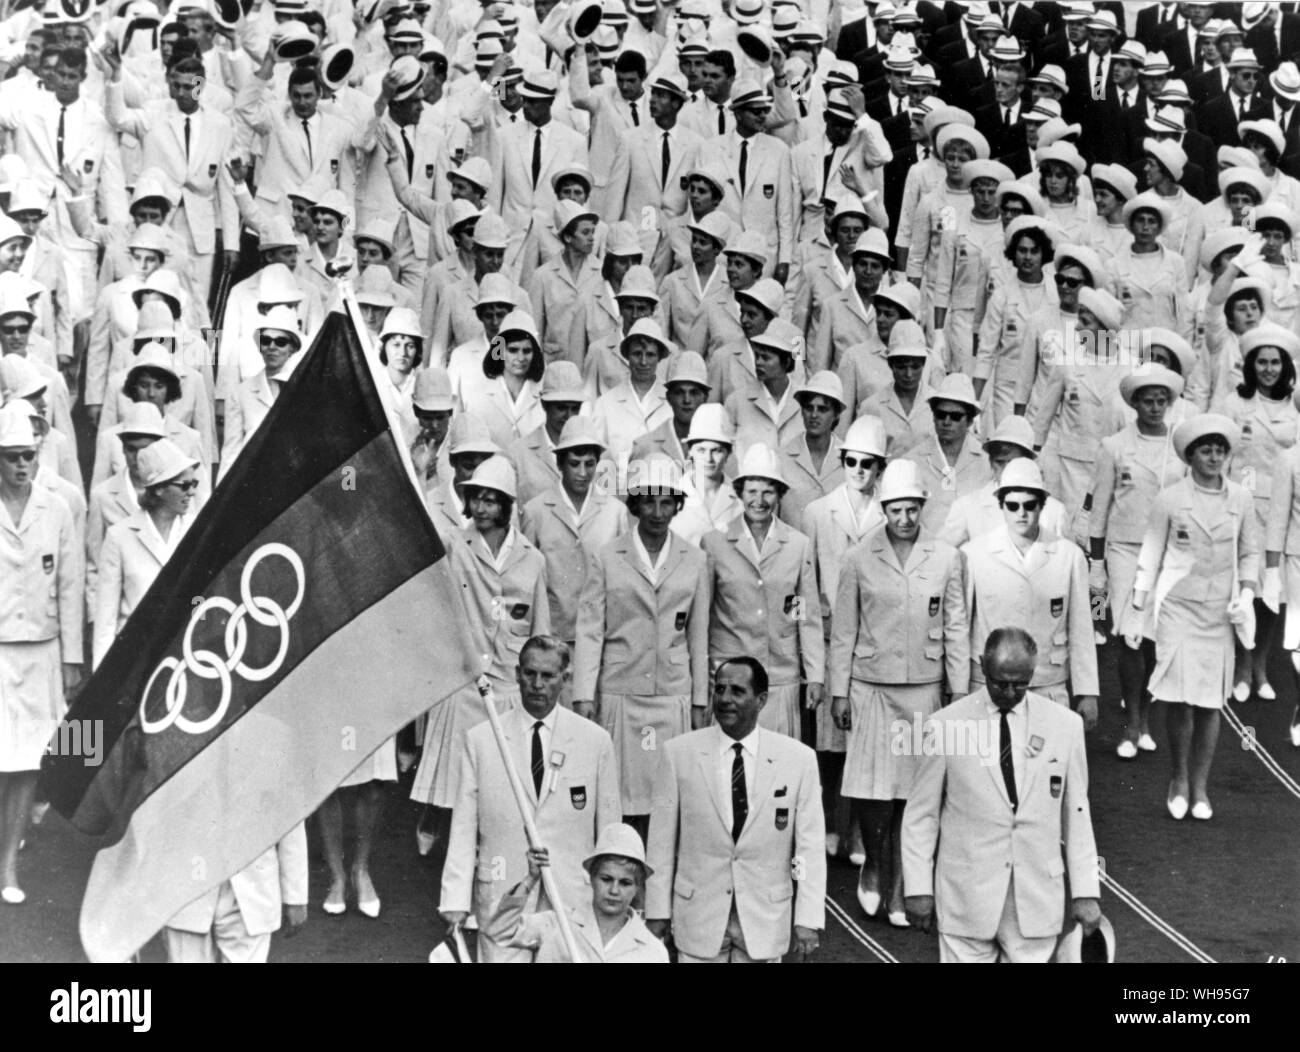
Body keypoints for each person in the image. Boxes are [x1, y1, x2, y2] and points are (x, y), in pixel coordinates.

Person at [901, 627, 1102, 963]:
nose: (1010, 691)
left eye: (1021, 683)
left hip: (1035, 899)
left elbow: (1077, 815)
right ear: (982, 666)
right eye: (1000, 682)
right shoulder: (945, 726)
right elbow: (922, 815)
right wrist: (918, 887)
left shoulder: (1064, 726)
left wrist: (1085, 892)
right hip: (966, 897)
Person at [830, 458, 969, 927]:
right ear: (883, 510)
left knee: (913, 791)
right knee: (874, 790)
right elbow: (843, 631)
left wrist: (961, 693)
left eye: (912, 510)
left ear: (922, 509)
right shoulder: (858, 557)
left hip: (924, 690)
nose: (905, 520)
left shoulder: (947, 557)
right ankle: (875, 860)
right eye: (896, 511)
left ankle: (898, 885)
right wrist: (839, 692)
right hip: (871, 687)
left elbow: (956, 627)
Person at [440, 636, 620, 963]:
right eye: (529, 674)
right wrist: (454, 899)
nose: (537, 684)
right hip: (504, 899)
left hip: (570, 900)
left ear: (565, 680)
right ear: (517, 673)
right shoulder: (482, 739)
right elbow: (464, 825)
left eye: (548, 676)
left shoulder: (595, 742)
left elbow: (610, 833)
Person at [645, 656, 826, 963]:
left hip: (764, 920)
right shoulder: (678, 754)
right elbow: (660, 845)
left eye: (737, 691)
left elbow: (809, 847)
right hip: (698, 919)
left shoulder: (799, 759)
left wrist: (807, 917)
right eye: (720, 689)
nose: (725, 699)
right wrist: (657, 911)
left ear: (761, 700)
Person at [1126, 415, 1259, 821]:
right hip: (1177, 608)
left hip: (1220, 611)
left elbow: (1250, 551)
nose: (1214, 457)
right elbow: (1151, 553)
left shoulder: (1241, 499)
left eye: (1220, 450)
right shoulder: (1170, 498)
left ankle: (1201, 787)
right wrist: (1137, 609)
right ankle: (1179, 778)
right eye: (1206, 450)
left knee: (1209, 703)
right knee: (1180, 700)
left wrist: (1249, 593)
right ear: (1190, 455)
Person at [573, 454, 710, 835]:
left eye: (666, 501)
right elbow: (590, 630)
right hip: (621, 691)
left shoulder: (695, 559)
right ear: (634, 504)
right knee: (619, 793)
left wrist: (699, 698)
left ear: (677, 505)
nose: (657, 511)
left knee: (668, 795)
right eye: (648, 501)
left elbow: (698, 635)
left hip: (672, 693)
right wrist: (585, 694)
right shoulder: (607, 556)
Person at [0, 402, 81, 905]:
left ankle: (9, 863)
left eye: (27, 455)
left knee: (29, 762)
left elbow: (70, 587)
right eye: (11, 457)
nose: (21, 465)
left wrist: (73, 657)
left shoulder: (56, 509)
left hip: (41, 651)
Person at [1089, 364, 1188, 759]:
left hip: (1167, 553)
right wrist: (1097, 562)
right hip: (1125, 550)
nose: (1154, 406)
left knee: (1156, 639)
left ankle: (1145, 716)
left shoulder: (1180, 447)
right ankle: (1131, 724)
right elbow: (1099, 510)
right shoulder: (1114, 446)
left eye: (1161, 400)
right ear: (1134, 404)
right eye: (1147, 400)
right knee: (1129, 634)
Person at [962, 458, 1099, 729]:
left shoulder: (1068, 556)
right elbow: (960, 629)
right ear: (1001, 505)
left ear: (1042, 505)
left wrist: (1088, 692)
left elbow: (1082, 627)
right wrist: (956, 686)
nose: (1021, 513)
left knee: (1047, 767)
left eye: (1029, 505)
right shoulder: (973, 555)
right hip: (988, 686)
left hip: (1047, 683)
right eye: (1012, 506)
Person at [700, 443, 822, 739]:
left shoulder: (797, 545)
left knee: (778, 768)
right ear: (739, 493)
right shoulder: (714, 543)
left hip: (779, 677)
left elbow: (803, 615)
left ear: (779, 494)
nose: (759, 500)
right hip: (729, 676)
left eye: (768, 491)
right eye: (752, 491)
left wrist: (815, 675)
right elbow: (702, 617)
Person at [1222, 323, 1300, 702]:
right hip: (1245, 502)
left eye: (1275, 362)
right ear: (1251, 365)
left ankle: (1261, 665)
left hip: (1284, 512)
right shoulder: (1236, 404)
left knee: (1276, 593)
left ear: (1285, 367)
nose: (1269, 369)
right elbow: (1225, 456)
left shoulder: (1294, 404)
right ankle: (1242, 661)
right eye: (1262, 362)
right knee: (1245, 587)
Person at [484, 823, 669, 963]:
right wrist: (530, 879)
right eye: (606, 879)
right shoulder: (559, 924)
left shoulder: (653, 951)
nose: (614, 890)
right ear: (591, 878)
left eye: (625, 883)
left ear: (637, 887)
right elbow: (499, 930)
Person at [91, 439, 200, 669]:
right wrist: (102, 682)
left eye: (194, 484)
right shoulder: (119, 537)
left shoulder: (197, 529)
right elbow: (105, 621)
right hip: (133, 660)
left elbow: (201, 597)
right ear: (159, 488)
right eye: (184, 485)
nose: (192, 492)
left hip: (185, 657)